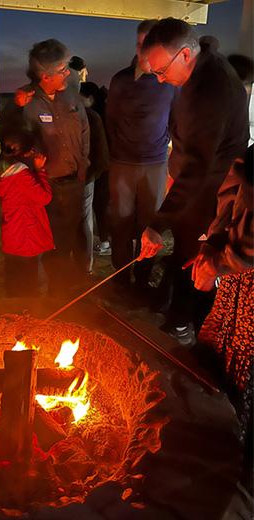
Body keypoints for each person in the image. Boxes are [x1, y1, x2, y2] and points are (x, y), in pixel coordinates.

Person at [139, 18, 249, 345]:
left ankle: (191, 328)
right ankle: (173, 308)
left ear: (186, 54)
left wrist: (158, 222)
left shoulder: (212, 91)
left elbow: (200, 165)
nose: (160, 80)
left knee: (197, 257)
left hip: (211, 193)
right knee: (184, 248)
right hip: (193, 185)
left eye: (161, 71)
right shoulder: (196, 70)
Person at [0, 39, 90, 296]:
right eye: (62, 70)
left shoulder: (70, 95)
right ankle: (33, 299)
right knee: (42, 245)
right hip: (42, 186)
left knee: (69, 241)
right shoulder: (25, 100)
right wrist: (15, 108)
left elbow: (84, 130)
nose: (67, 73)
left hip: (72, 183)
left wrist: (84, 165)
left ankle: (64, 293)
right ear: (45, 76)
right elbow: (2, 133)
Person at [189, 144, 253, 484]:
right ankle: (217, 447)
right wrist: (211, 245)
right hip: (235, 280)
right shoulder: (251, 157)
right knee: (217, 361)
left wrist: (221, 260)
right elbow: (231, 193)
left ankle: (238, 470)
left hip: (244, 279)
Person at [104, 19, 177, 291]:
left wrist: (164, 145)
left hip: (156, 163)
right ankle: (120, 277)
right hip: (122, 163)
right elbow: (109, 120)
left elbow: (176, 118)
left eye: (150, 45)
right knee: (120, 221)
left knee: (150, 224)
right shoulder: (121, 79)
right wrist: (118, 150)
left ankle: (143, 278)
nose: (144, 52)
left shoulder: (169, 82)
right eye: (140, 44)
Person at [0, 131, 54, 297]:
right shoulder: (21, 175)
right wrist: (40, 170)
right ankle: (28, 313)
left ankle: (13, 309)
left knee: (13, 274)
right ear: (24, 153)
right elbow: (44, 197)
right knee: (29, 280)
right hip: (26, 233)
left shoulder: (1, 170)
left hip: (11, 232)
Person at [79, 82, 110, 260]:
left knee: (97, 207)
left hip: (98, 170)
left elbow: (100, 149)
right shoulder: (102, 112)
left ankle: (103, 243)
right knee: (97, 208)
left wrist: (92, 172)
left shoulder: (94, 117)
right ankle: (102, 242)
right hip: (99, 169)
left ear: (90, 98)